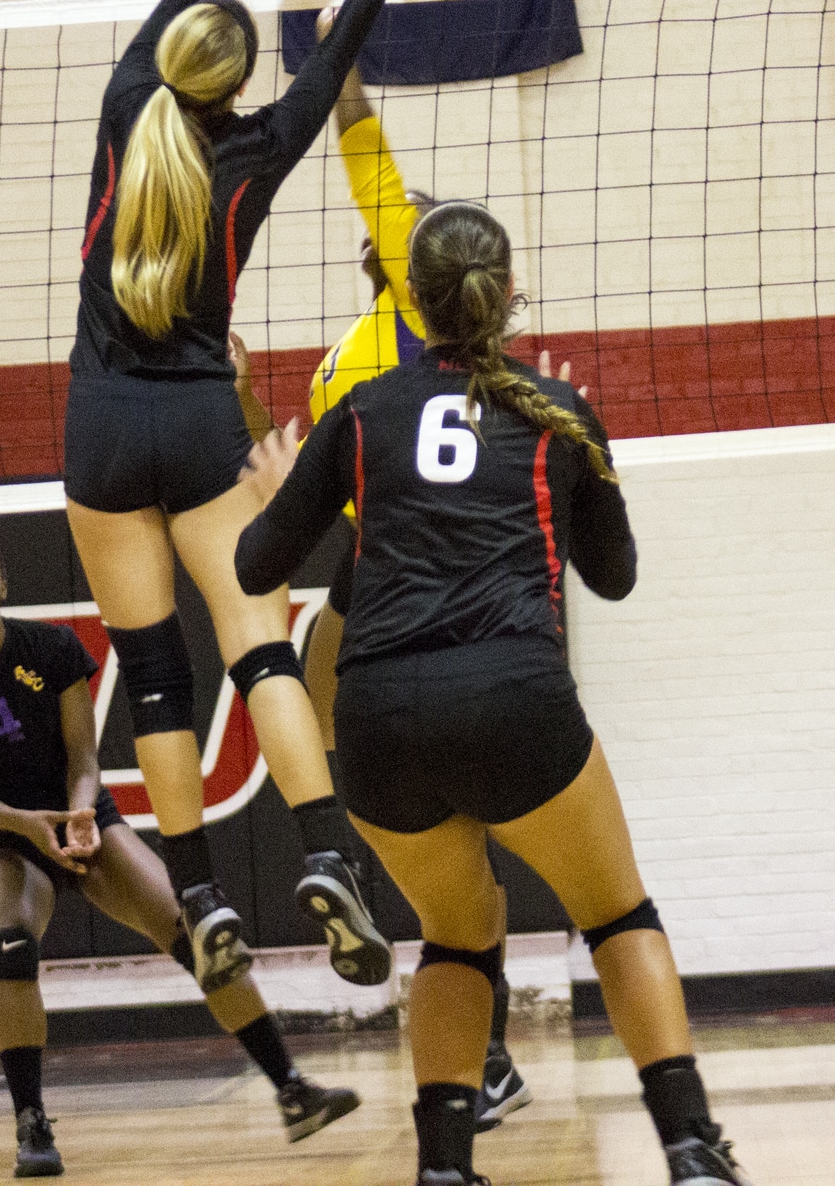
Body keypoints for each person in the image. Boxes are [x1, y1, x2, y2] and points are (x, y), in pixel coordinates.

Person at [233, 201, 750, 1186]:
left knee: (458, 936)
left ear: (409, 302)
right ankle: (691, 1148)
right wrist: (587, 458)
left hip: (378, 717)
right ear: (508, 295)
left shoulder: (360, 410)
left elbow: (258, 565)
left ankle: (443, 1166)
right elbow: (615, 576)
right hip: (511, 695)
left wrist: (270, 494)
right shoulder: (553, 414)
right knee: (615, 915)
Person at [60, 0, 466, 994]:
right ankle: (327, 854)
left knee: (150, 674)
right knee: (261, 652)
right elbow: (336, 54)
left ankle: (194, 895)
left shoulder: (126, 106)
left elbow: (159, 14)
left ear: (173, 60)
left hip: (100, 424)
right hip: (198, 423)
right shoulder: (257, 146)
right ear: (236, 82)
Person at [232, 59, 528, 1132]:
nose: (391, 229)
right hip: (377, 560)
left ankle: (482, 1045)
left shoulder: (422, 321)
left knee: (447, 823)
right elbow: (301, 464)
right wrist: (236, 389)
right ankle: (341, 863)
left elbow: (369, 165)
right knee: (323, 721)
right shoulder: (351, 353)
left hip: (434, 569)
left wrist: (343, 70)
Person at [0, 530, 361, 1177]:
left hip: (85, 818)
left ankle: (291, 1087)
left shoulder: (52, 648)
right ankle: (31, 1122)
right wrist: (31, 826)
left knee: (196, 935)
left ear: (4, 582)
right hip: (11, 836)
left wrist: (80, 813)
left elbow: (84, 759)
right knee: (11, 947)